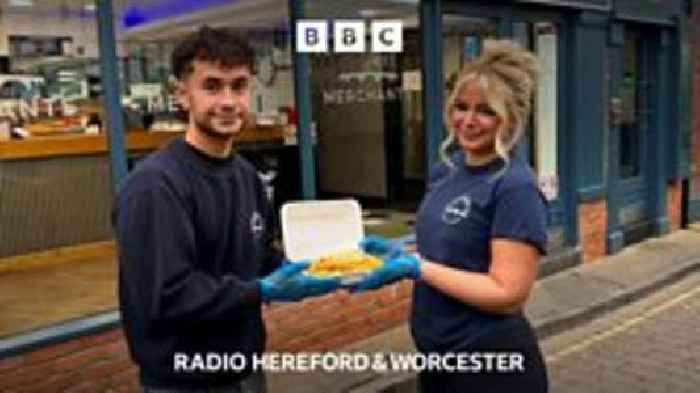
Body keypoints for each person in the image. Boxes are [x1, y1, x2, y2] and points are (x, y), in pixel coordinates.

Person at [112, 26, 340, 393]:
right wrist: (262, 290)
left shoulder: (246, 176)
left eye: (239, 86)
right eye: (212, 86)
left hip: (246, 370)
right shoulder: (156, 186)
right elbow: (168, 295)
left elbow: (258, 257)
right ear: (181, 95)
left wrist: (323, 266)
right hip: (184, 382)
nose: (229, 100)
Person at [356, 39, 549, 392]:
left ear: (512, 119)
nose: (469, 121)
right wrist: (396, 254)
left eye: (486, 111)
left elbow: (507, 293)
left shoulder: (515, 187)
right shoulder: (446, 171)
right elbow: (444, 246)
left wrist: (417, 268)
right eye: (461, 106)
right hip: (437, 360)